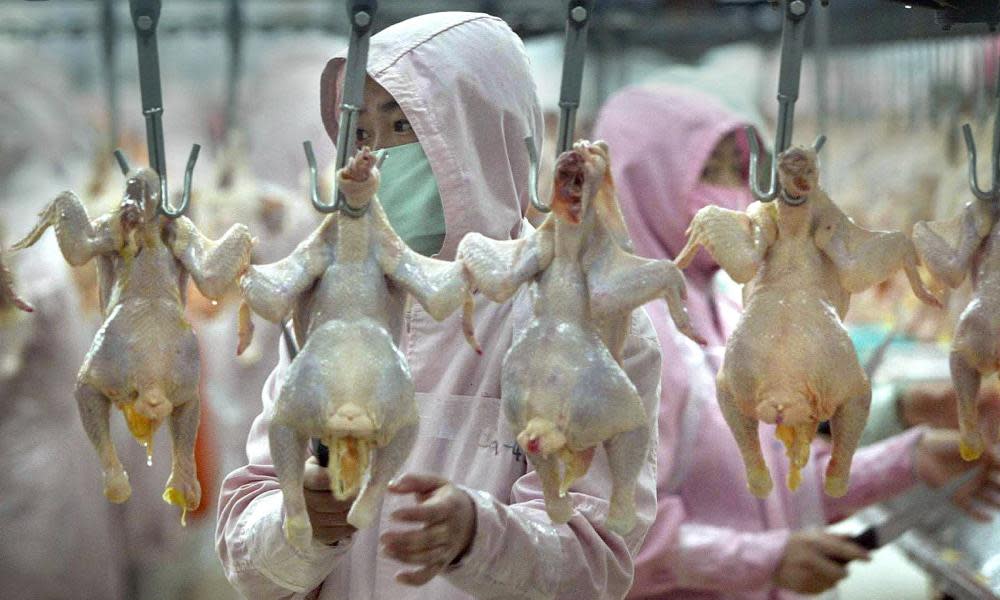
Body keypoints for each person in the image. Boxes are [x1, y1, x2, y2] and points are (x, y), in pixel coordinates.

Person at [216, 12, 663, 599]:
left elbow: (593, 562)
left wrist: (478, 537)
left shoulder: (586, 318)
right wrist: (296, 526)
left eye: (402, 125)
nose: (376, 158)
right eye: (361, 134)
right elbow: (247, 555)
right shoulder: (329, 311)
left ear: (481, 131)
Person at [592, 84, 1000, 599]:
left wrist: (911, 458)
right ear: (641, 178)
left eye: (738, 170)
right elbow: (604, 533)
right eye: (707, 170)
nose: (731, 188)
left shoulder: (721, 303)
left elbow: (769, 483)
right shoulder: (622, 329)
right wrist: (765, 560)